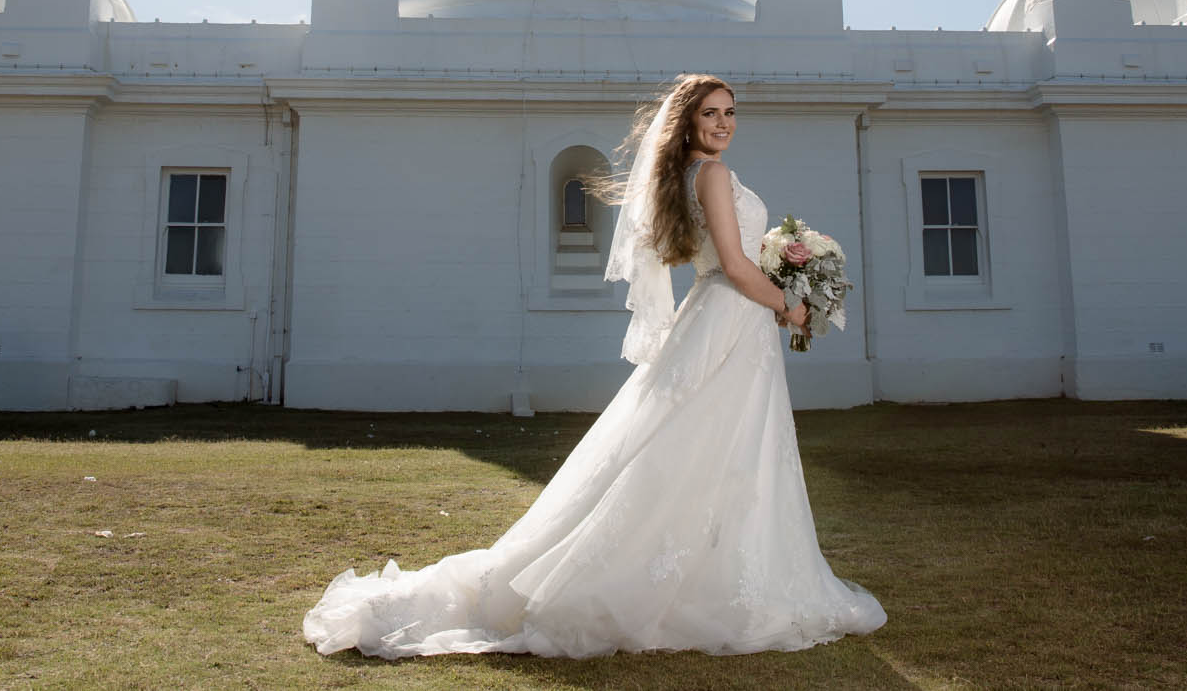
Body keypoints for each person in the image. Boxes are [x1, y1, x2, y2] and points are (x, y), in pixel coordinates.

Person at [301, 73, 887, 658]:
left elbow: (732, 263)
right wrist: (791, 305)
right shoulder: (711, 174)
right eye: (710, 113)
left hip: (722, 315)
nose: (723, 123)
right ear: (687, 121)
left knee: (713, 445)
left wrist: (782, 282)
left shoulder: (688, 175)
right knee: (713, 444)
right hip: (729, 315)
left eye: (730, 112)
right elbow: (735, 266)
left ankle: (719, 574)